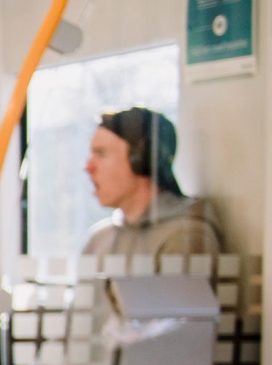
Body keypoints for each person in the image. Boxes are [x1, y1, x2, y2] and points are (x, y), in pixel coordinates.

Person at [82, 107, 223, 263]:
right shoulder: (99, 239)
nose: (88, 167)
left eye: (101, 154)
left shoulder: (184, 236)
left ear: (140, 161)